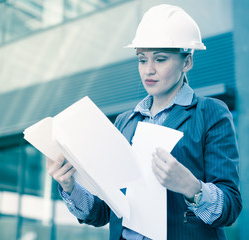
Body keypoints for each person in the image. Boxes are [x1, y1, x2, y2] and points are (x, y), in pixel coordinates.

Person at [46, 4, 242, 240]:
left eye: (160, 59)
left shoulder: (210, 113)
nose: (149, 70)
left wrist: (193, 188)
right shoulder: (124, 122)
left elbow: (230, 207)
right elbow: (104, 212)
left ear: (187, 62)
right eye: (142, 59)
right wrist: (70, 187)